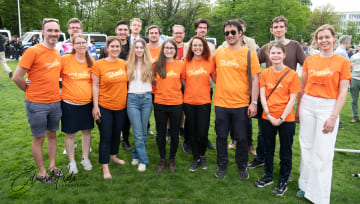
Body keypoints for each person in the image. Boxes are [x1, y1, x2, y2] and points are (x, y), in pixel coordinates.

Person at [296, 24, 351, 203]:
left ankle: (319, 196)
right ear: (316, 40)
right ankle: (304, 186)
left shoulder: (342, 62)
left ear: (334, 38)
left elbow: (343, 91)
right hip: (308, 105)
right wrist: (298, 109)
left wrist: (334, 116)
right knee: (307, 147)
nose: (324, 40)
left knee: (323, 152)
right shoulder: (310, 60)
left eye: (327, 37)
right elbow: (303, 87)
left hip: (328, 106)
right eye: (320, 38)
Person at [249, 15, 306, 171]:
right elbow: (254, 64)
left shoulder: (294, 46)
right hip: (267, 97)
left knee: (285, 137)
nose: (278, 29)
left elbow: (306, 66)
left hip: (287, 97)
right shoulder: (267, 47)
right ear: (271, 29)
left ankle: (285, 168)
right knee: (263, 132)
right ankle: (261, 158)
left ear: (285, 29)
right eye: (276, 27)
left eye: (281, 26)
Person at [12, 18, 63, 184]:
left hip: (55, 102)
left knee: (52, 135)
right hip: (37, 104)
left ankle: (53, 166)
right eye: (50, 30)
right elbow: (17, 77)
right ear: (43, 32)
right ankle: (42, 174)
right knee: (39, 138)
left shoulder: (57, 52)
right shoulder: (33, 51)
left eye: (56, 30)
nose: (53, 34)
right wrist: (29, 91)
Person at [213, 20, 261, 179]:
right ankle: (222, 165)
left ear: (241, 33)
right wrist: (220, 83)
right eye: (226, 33)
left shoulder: (249, 53)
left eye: (233, 32)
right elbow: (212, 72)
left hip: (241, 104)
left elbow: (255, 79)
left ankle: (242, 166)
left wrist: (254, 102)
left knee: (241, 138)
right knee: (221, 136)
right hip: (221, 103)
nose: (229, 35)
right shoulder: (219, 52)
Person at [253, 42, 300, 196]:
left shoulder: (292, 74)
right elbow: (262, 95)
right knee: (268, 149)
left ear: (284, 55)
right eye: (273, 53)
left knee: (285, 150)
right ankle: (268, 176)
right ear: (269, 55)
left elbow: (293, 98)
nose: (275, 56)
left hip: (286, 119)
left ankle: (283, 180)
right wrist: (268, 114)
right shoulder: (265, 73)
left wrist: (280, 118)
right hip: (267, 117)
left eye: (278, 53)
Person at [92, 36, 128, 179]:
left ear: (120, 48)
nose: (114, 49)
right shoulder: (99, 64)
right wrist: (95, 106)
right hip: (104, 106)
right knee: (105, 136)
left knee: (116, 133)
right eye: (112, 46)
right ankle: (105, 166)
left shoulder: (124, 64)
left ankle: (114, 156)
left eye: (117, 47)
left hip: (121, 106)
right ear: (107, 48)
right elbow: (95, 86)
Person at [222, 19, 257, 156]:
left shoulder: (251, 43)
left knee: (245, 120)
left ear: (242, 30)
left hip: (245, 85)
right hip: (229, 87)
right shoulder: (225, 43)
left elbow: (252, 62)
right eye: (228, 32)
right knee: (230, 117)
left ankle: (249, 143)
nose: (231, 34)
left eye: (235, 30)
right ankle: (233, 139)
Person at [61, 33, 94, 174]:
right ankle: (71, 161)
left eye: (83, 43)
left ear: (87, 44)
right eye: (78, 43)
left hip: (87, 104)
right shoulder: (65, 59)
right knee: (70, 133)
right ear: (73, 45)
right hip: (69, 103)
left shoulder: (91, 61)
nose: (81, 45)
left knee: (87, 132)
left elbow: (96, 83)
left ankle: (85, 158)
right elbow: (53, 75)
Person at [183, 36, 216, 171]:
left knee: (202, 132)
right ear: (191, 48)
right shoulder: (186, 62)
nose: (197, 48)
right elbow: (183, 81)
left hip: (204, 102)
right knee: (192, 132)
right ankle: (196, 157)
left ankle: (202, 155)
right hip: (189, 102)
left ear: (204, 47)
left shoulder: (209, 62)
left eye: (200, 45)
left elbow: (216, 79)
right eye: (195, 45)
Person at [99, 20, 133, 152]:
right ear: (116, 31)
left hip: (127, 87)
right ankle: (112, 142)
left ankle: (125, 140)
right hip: (110, 89)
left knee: (126, 118)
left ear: (128, 31)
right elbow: (101, 67)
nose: (123, 32)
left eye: (125, 29)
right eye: (120, 30)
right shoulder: (106, 48)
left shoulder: (132, 47)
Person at [154, 39, 185, 173]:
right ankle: (162, 158)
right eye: (166, 48)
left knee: (174, 133)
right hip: (160, 103)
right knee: (160, 133)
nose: (169, 50)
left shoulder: (180, 64)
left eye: (171, 48)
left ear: (175, 50)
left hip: (176, 104)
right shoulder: (156, 64)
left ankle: (171, 159)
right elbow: (151, 80)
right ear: (163, 50)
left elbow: (184, 83)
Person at [126, 38, 154, 172]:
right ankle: (143, 160)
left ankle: (136, 155)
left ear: (144, 49)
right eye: (136, 47)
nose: (138, 50)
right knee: (138, 132)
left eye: (141, 47)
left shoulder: (150, 63)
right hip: (132, 100)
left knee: (143, 132)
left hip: (147, 99)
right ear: (133, 49)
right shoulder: (127, 64)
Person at [350, 44, 360, 123]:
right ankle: (355, 116)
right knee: (354, 99)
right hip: (355, 79)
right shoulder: (354, 57)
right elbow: (349, 66)